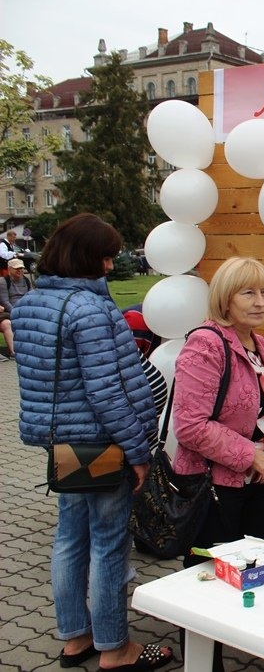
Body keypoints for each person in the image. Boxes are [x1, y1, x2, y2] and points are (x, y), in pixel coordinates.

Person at [11, 213, 174, 671]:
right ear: (87, 257)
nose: (109, 266)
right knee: (107, 544)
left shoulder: (29, 305)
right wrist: (137, 450)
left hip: (62, 442)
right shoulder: (90, 311)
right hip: (102, 443)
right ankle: (114, 647)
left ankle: (75, 637)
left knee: (69, 538)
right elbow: (108, 393)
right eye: (105, 256)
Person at [172, 256, 264, 672]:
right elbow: (190, 426)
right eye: (248, 293)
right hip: (213, 487)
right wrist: (250, 454)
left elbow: (255, 414)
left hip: (255, 485)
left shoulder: (261, 345)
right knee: (207, 582)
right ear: (225, 298)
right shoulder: (205, 345)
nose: (260, 302)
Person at [1, 257, 32, 359]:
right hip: (10, 311)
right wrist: (17, 312)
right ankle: (14, 353)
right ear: (9, 269)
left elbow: (31, 298)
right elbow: (5, 302)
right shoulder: (3, 281)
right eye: (17, 269)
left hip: (25, 309)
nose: (20, 271)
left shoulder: (26, 280)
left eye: (21, 268)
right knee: (7, 323)